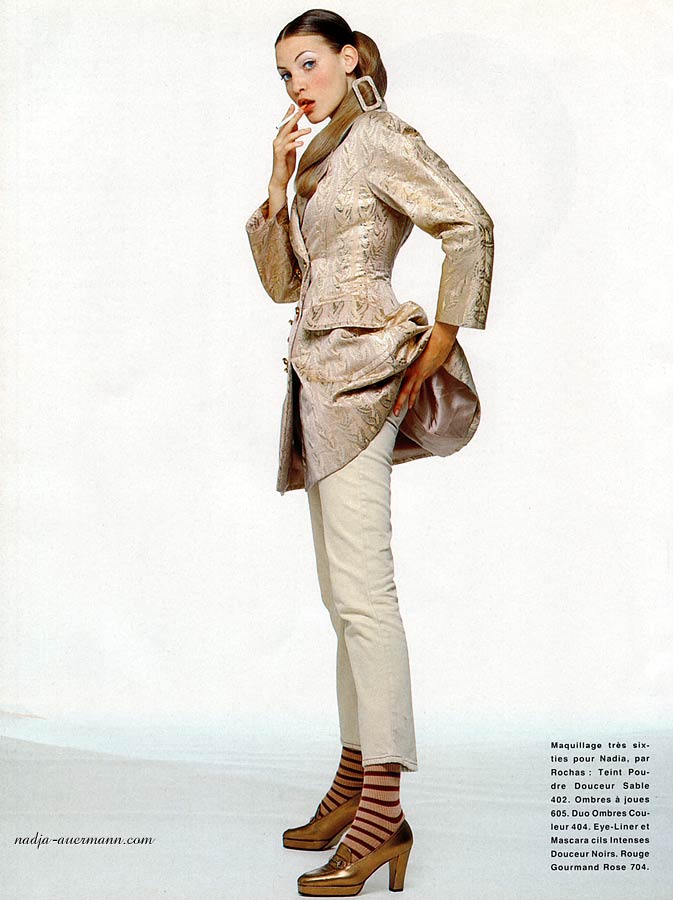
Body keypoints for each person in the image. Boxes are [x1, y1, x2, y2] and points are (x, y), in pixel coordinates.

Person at [245, 9, 494, 896]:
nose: (296, 85)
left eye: (308, 63)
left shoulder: (382, 136)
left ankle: (382, 813)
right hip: (314, 381)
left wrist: (440, 340)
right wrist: (278, 185)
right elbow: (284, 284)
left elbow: (468, 224)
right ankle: (354, 783)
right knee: (340, 598)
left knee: (365, 597)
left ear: (350, 59)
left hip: (365, 375)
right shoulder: (315, 157)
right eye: (284, 73)